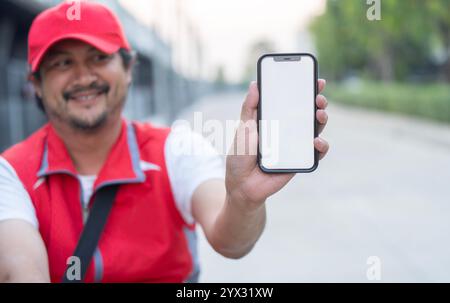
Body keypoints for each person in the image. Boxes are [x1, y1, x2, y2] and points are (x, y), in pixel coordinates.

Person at [0, 1, 329, 283]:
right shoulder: (10, 172)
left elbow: (231, 242)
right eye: (62, 63)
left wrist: (243, 199)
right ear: (36, 83)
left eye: (99, 57)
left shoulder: (177, 148)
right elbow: (20, 269)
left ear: (128, 68)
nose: (84, 76)